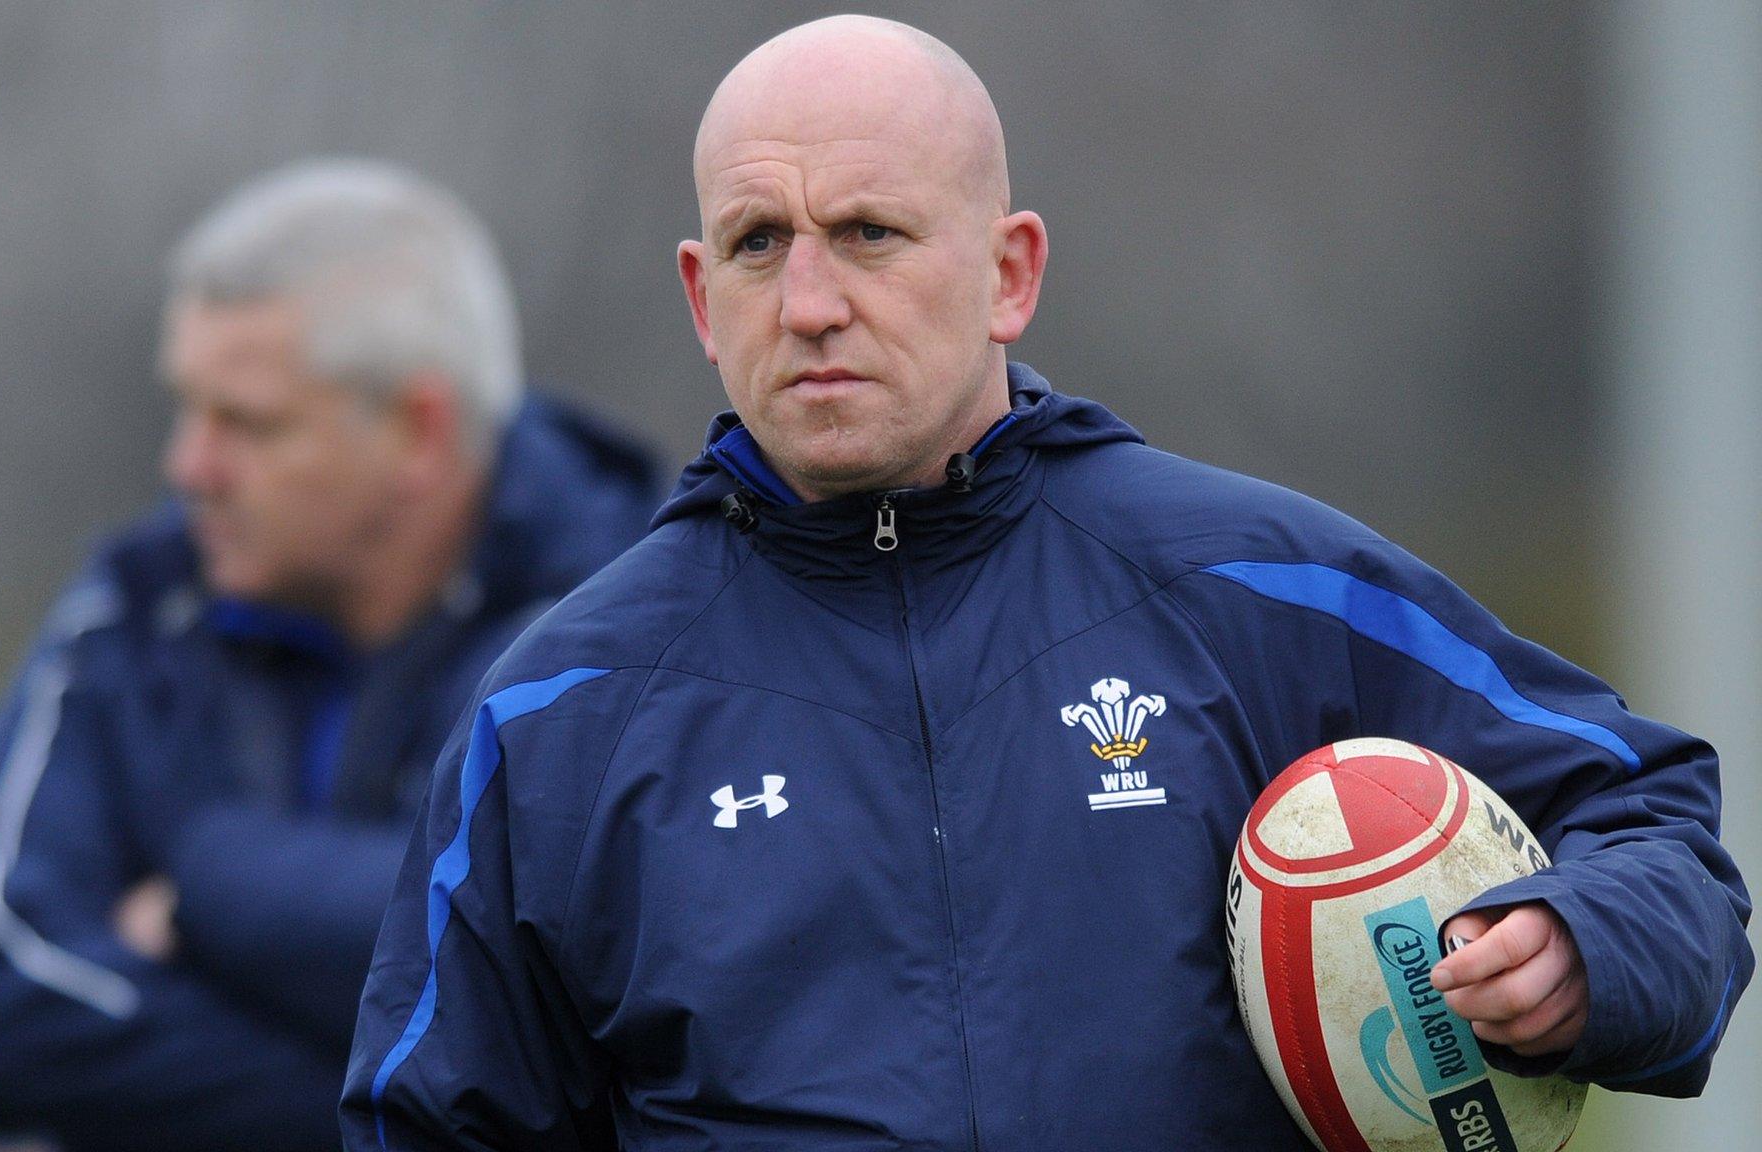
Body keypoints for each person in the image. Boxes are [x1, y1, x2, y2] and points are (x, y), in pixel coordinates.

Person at [341, 17, 1752, 1151]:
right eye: (762, 245)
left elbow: (1651, 823)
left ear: (1009, 275)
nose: (812, 301)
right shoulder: (561, 710)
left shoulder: (1261, 590)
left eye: (871, 234)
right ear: (705, 300)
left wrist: (1581, 948)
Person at [0, 159, 663, 1152]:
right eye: (188, 406)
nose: (189, 466)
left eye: (247, 423)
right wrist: (415, 1112)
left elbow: (554, 969)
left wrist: (202, 884)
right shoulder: (138, 606)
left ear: (419, 433)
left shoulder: (633, 629)